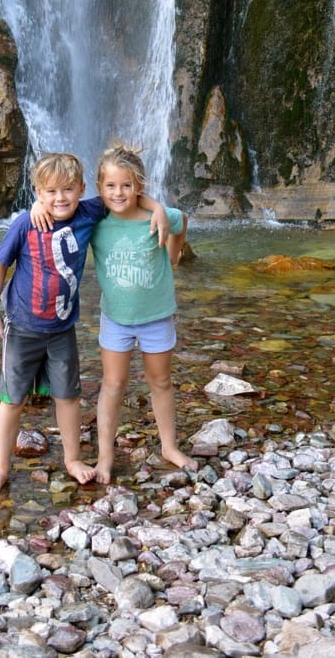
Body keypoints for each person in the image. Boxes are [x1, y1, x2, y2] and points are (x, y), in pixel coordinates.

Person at [0, 151, 170, 494]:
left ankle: (73, 460)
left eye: (67, 189)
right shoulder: (26, 223)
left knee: (68, 397)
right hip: (22, 328)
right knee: (12, 399)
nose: (60, 198)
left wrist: (157, 208)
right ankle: (0, 467)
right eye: (50, 192)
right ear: (38, 193)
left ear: (82, 189)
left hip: (62, 330)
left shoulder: (88, 212)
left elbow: (124, 194)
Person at [87, 141, 189, 483]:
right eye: (111, 186)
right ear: (99, 187)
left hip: (156, 316)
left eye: (126, 186)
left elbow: (181, 221)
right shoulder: (96, 221)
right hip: (116, 318)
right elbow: (61, 207)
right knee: (113, 384)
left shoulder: (154, 217)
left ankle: (169, 447)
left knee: (160, 381)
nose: (118, 193)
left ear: (139, 187)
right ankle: (105, 456)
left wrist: (173, 254)